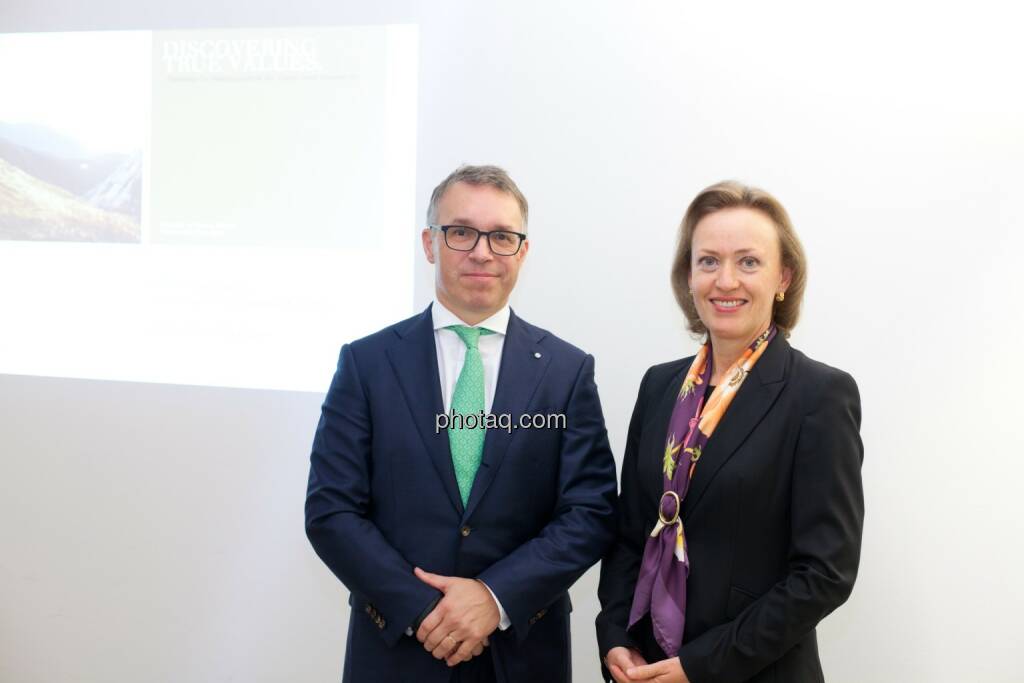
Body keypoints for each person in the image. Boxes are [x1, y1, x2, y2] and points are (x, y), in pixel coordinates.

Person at [306, 164, 618, 683]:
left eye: (501, 236)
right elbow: (331, 508)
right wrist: (424, 609)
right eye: (461, 232)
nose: (481, 251)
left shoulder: (567, 371)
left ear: (522, 251)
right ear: (430, 243)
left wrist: (493, 598)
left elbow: (591, 511)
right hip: (397, 649)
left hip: (521, 654)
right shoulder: (367, 363)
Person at [595, 181, 864, 683]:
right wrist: (614, 636)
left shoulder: (820, 395)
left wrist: (700, 666)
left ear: (783, 277)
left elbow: (825, 574)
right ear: (689, 276)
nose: (726, 281)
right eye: (709, 261)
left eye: (748, 262)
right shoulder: (659, 386)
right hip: (646, 666)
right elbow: (632, 533)